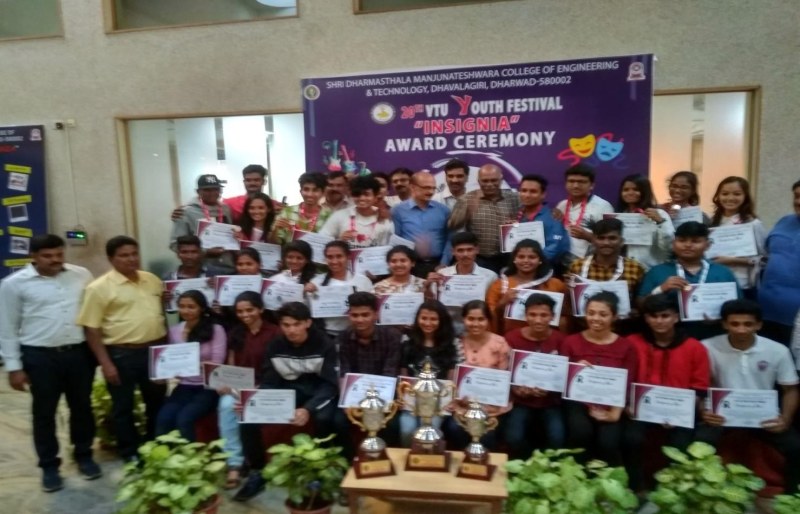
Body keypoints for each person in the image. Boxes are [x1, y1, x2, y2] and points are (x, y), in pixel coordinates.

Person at [0, 234, 100, 492]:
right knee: (44, 413)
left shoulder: (81, 275)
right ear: (33, 256)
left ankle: (84, 455)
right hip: (40, 357)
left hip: (78, 354)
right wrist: (14, 367)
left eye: (59, 254)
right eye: (47, 256)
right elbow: (7, 328)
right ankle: (49, 466)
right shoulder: (13, 284)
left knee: (82, 407)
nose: (55, 260)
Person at [234, 302, 339, 502]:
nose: (291, 330)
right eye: (286, 325)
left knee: (324, 419)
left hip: (318, 392)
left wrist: (308, 409)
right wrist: (254, 402)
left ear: (308, 323)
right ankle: (258, 471)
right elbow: (269, 381)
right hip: (289, 391)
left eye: (296, 324)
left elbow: (330, 385)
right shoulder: (275, 345)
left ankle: (320, 473)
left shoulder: (325, 344)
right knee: (248, 416)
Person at [77, 236, 168, 463]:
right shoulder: (98, 288)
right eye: (124, 255)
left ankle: (153, 444)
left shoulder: (152, 280)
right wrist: (106, 364)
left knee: (156, 401)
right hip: (121, 354)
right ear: (111, 259)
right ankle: (130, 452)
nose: (131, 259)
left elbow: (161, 313)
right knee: (123, 406)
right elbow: (91, 330)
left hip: (154, 352)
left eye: (134, 254)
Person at [697, 299, 800, 494]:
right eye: (734, 324)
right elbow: (700, 387)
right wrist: (704, 411)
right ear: (724, 324)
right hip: (721, 416)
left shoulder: (778, 350)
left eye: (748, 324)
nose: (741, 330)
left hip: (764, 417)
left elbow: (790, 389)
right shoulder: (706, 347)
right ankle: (704, 495)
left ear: (758, 325)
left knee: (795, 447)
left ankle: (792, 495)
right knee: (699, 443)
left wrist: (785, 419)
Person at [622, 294, 710, 493]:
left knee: (680, 444)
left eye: (665, 316)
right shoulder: (632, 343)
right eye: (653, 316)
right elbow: (623, 379)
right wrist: (627, 406)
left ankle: (672, 491)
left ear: (676, 317)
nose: (659, 321)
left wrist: (678, 414)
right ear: (646, 318)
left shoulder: (695, 347)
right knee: (631, 438)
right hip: (639, 411)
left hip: (680, 413)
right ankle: (636, 488)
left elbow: (699, 388)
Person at [561, 292, 638, 466]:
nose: (596, 318)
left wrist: (614, 414)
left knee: (608, 443)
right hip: (578, 402)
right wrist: (574, 370)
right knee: (581, 433)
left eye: (603, 314)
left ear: (614, 317)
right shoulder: (570, 342)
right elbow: (561, 380)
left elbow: (627, 383)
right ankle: (576, 476)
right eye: (591, 313)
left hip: (611, 403)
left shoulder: (626, 346)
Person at [218, 291, 279, 490]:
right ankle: (234, 463)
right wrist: (226, 382)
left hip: (267, 385)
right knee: (226, 405)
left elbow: (279, 368)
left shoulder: (275, 332)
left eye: (250, 310)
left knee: (246, 406)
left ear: (260, 309)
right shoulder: (236, 332)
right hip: (241, 384)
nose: (245, 315)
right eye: (240, 311)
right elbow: (231, 363)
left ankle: (255, 465)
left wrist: (259, 388)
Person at [638, 221, 740, 340]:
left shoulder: (723, 272)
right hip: (669, 339)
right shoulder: (657, 272)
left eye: (695, 241)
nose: (688, 245)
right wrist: (661, 289)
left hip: (714, 337)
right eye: (682, 240)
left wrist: (721, 317)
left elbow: (738, 308)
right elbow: (641, 305)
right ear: (673, 243)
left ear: (707, 245)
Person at [335, 292, 404, 456]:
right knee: (337, 421)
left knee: (392, 424)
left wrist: (378, 402)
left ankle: (389, 460)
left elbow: (390, 372)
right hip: (354, 396)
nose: (360, 320)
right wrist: (346, 401)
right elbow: (344, 371)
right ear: (349, 315)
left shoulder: (392, 336)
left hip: (384, 395)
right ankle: (350, 462)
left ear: (376, 315)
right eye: (355, 315)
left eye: (365, 315)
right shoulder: (343, 337)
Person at [502, 294, 567, 460]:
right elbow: (504, 371)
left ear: (552, 317)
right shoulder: (511, 338)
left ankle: (548, 467)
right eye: (533, 314)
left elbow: (565, 374)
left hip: (550, 401)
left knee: (557, 437)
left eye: (544, 315)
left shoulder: (561, 340)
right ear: (525, 316)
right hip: (520, 400)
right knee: (513, 437)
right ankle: (527, 464)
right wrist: (516, 388)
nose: (538, 320)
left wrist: (551, 389)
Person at [156, 290, 226, 441]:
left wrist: (191, 364)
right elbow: (171, 361)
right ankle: (165, 454)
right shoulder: (174, 331)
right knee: (164, 418)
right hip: (184, 385)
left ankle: (191, 455)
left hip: (208, 387)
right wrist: (164, 372)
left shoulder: (216, 330)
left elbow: (217, 364)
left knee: (185, 419)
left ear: (201, 308)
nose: (186, 311)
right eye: (182, 306)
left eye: (191, 307)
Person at [444, 300, 511, 450]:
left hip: (492, 407)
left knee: (487, 435)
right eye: (471, 319)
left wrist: (487, 400)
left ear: (488, 320)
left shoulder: (499, 343)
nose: (475, 324)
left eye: (481, 319)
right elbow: (450, 379)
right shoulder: (456, 343)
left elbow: (504, 379)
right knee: (454, 429)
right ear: (463, 319)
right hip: (462, 405)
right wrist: (459, 398)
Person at [398, 300, 459, 447]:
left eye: (433, 319)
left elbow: (451, 379)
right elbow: (404, 374)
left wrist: (451, 400)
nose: (428, 323)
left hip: (437, 403)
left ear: (441, 320)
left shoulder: (452, 344)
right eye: (424, 318)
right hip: (412, 401)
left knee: (430, 431)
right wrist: (402, 398)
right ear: (417, 319)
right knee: (407, 429)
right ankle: (410, 457)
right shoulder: (407, 341)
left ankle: (429, 457)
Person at [569, 218, 646, 333]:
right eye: (601, 238)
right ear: (593, 240)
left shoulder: (635, 268)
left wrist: (635, 312)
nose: (606, 243)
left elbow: (638, 302)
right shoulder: (577, 266)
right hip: (585, 329)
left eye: (612, 238)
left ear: (621, 241)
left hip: (622, 330)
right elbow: (570, 303)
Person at [486, 239, 569, 334]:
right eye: (521, 257)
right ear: (514, 259)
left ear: (540, 260)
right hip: (511, 336)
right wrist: (502, 302)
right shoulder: (500, 284)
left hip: (546, 336)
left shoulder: (555, 284)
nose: (526, 261)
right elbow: (489, 315)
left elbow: (565, 314)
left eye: (532, 257)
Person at [449, 164, 520, 273]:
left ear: (501, 180)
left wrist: (516, 223)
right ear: (479, 181)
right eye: (485, 181)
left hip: (509, 256)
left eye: (494, 180)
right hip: (480, 258)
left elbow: (526, 220)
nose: (489, 184)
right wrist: (467, 212)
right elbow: (452, 225)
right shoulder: (467, 199)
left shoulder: (514, 198)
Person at [427, 231, 497, 333]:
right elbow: (434, 303)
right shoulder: (442, 274)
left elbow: (492, 306)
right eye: (460, 250)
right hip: (447, 327)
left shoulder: (490, 276)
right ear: (452, 252)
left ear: (477, 250)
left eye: (469, 250)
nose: (465, 254)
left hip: (477, 327)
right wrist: (428, 286)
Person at [708, 177, 766, 293]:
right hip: (715, 282)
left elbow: (764, 259)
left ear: (745, 197)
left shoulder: (753, 224)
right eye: (725, 194)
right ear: (718, 196)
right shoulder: (712, 222)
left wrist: (732, 260)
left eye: (737, 194)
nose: (730, 198)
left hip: (742, 284)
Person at [759, 179, 800, 345]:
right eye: (796, 196)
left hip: (796, 318)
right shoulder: (784, 221)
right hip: (766, 309)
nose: (798, 201)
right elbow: (767, 254)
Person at [170, 174, 235, 275]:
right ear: (198, 191)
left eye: (216, 189)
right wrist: (204, 251)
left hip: (228, 265)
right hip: (202, 270)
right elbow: (175, 244)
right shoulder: (186, 212)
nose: (212, 193)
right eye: (207, 190)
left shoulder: (226, 209)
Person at [306, 241, 373, 338]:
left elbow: (372, 308)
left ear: (348, 257)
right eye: (330, 257)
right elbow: (307, 310)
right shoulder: (316, 282)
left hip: (357, 334)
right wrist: (305, 293)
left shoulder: (363, 281)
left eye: (339, 256)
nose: (334, 261)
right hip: (325, 334)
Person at [391, 171, 452, 277]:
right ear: (412, 187)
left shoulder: (443, 210)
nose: (431, 192)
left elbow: (450, 238)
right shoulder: (398, 211)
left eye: (433, 188)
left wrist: (444, 263)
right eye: (426, 188)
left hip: (439, 266)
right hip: (410, 268)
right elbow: (396, 240)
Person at [553, 164, 614, 265]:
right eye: (571, 181)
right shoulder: (561, 205)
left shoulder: (603, 206)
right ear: (566, 184)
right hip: (560, 261)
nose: (575, 185)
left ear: (592, 185)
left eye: (581, 182)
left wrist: (588, 236)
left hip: (589, 264)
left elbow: (612, 241)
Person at [615, 174, 674, 270]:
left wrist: (660, 222)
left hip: (651, 270)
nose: (630, 193)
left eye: (636, 189)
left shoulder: (659, 214)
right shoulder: (618, 216)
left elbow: (669, 246)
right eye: (626, 190)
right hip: (625, 271)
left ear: (645, 191)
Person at [319, 175, 394, 248]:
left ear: (375, 196)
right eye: (357, 194)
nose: (362, 198)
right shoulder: (340, 216)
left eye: (366, 194)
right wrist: (339, 241)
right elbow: (321, 241)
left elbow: (389, 247)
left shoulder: (384, 218)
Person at [515, 174, 570, 264]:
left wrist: (532, 262)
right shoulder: (517, 215)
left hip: (544, 267)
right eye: (524, 190)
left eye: (533, 191)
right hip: (520, 267)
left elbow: (555, 248)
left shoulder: (554, 217)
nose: (527, 195)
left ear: (543, 194)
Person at [270, 172, 332, 246]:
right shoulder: (287, 212)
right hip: (290, 253)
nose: (310, 194)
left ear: (323, 193)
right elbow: (274, 243)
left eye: (315, 190)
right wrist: (275, 229)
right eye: (306, 189)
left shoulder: (329, 216)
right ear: (301, 191)